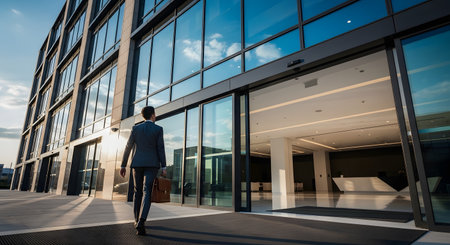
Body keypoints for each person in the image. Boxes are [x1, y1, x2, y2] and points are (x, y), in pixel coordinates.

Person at [120, 106, 167, 235]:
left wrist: (123, 165)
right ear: (152, 115)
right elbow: (160, 148)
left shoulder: (136, 128)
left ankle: (136, 220)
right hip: (152, 164)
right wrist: (164, 166)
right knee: (147, 192)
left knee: (137, 192)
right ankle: (142, 221)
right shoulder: (158, 129)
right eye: (155, 114)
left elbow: (128, 146)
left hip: (137, 164)